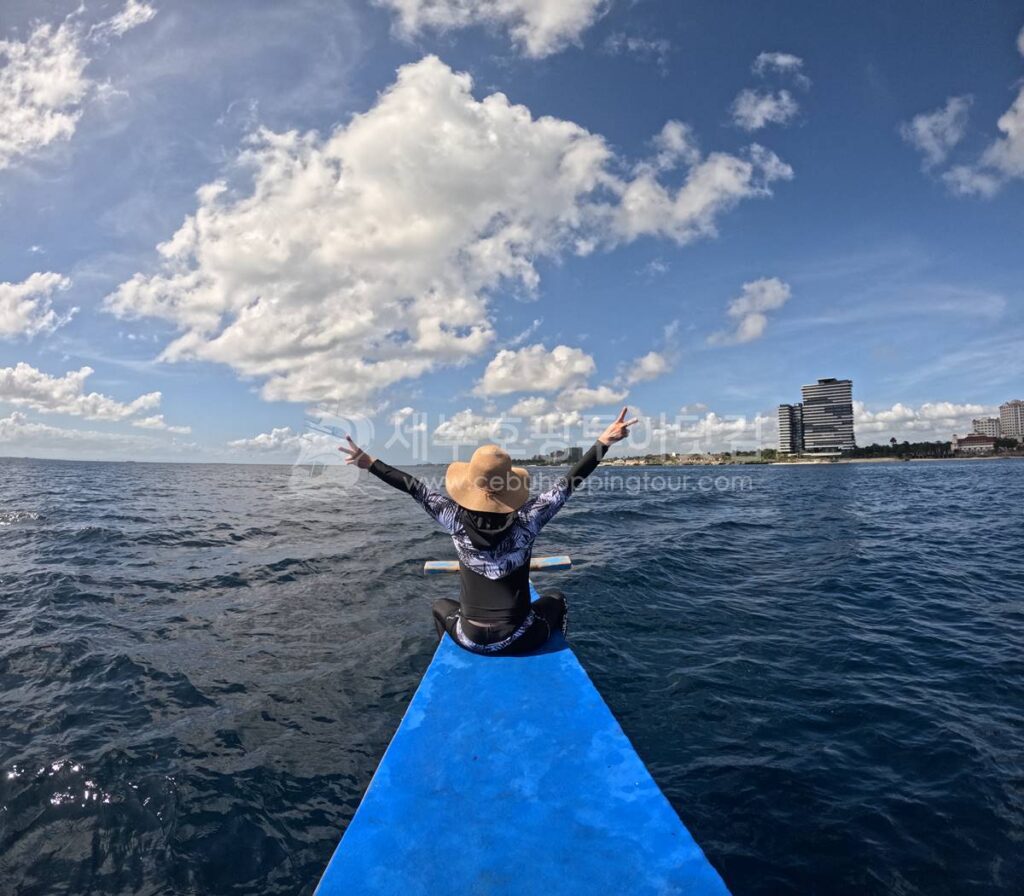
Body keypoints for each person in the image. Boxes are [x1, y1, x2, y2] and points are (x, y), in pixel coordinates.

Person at [340, 407, 638, 655]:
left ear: (470, 486)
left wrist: (370, 464)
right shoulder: (530, 519)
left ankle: (453, 658)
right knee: (557, 598)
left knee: (439, 606)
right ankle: (552, 648)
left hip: (469, 639)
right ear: (509, 488)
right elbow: (569, 482)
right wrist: (603, 442)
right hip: (519, 637)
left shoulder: (452, 517)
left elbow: (414, 488)